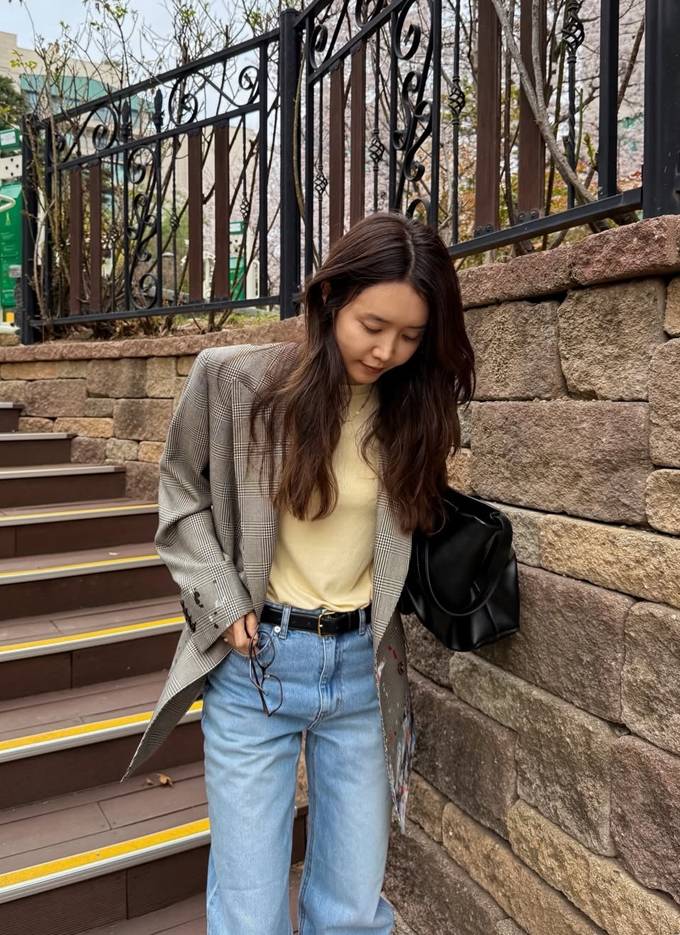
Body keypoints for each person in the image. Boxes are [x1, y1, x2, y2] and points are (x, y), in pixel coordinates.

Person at [151, 210, 475, 935]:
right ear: (330, 298)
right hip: (255, 665)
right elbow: (179, 493)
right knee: (248, 913)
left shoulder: (412, 408)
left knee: (351, 909)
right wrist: (221, 599)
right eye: (373, 325)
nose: (387, 350)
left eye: (411, 335)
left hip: (363, 670)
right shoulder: (235, 382)